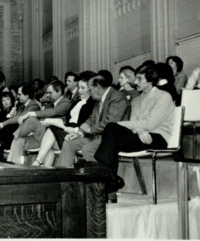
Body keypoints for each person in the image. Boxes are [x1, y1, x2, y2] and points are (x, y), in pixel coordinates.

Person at [93, 63, 175, 192]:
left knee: (112, 128)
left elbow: (151, 124)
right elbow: (134, 123)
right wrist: (139, 130)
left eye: (139, 79)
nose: (135, 82)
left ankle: (107, 177)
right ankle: (109, 180)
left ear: (150, 80)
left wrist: (127, 125)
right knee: (112, 130)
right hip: (141, 135)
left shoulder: (163, 96)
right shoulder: (136, 100)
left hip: (158, 138)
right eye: (135, 78)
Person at [56, 74, 130, 168]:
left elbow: (111, 123)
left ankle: (104, 178)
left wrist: (90, 130)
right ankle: (64, 178)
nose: (89, 93)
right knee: (69, 143)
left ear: (97, 87)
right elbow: (92, 117)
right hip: (97, 136)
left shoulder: (117, 97)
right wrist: (80, 133)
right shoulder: (100, 98)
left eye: (90, 89)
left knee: (87, 149)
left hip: (110, 139)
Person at [32, 71, 97, 167]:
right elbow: (68, 119)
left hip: (79, 132)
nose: (79, 91)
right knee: (47, 145)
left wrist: (75, 130)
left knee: (50, 135)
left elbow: (89, 122)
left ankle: (39, 162)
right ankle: (45, 169)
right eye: (79, 88)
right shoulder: (76, 102)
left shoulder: (93, 103)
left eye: (83, 88)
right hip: (67, 129)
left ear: (90, 88)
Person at [6, 81, 72, 164]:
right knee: (18, 140)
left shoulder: (66, 102)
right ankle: (13, 169)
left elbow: (53, 112)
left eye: (49, 93)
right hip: (44, 136)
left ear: (59, 91)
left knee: (31, 120)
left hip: (57, 138)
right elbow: (43, 118)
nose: (47, 95)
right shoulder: (49, 105)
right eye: (46, 93)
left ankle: (12, 135)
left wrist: (31, 113)